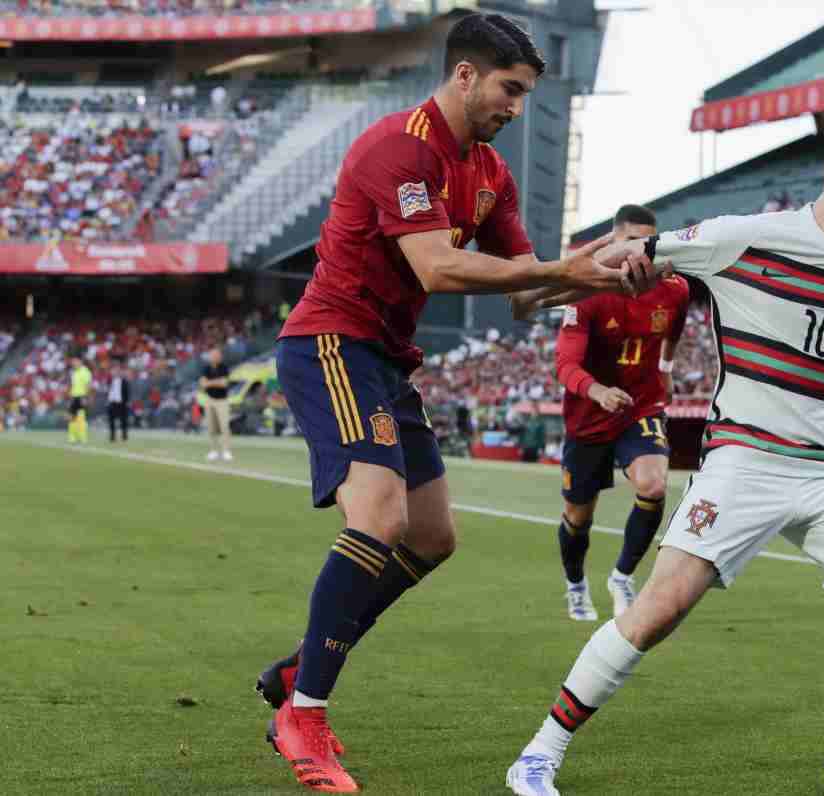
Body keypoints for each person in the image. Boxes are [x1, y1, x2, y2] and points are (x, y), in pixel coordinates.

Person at [254, 14, 660, 793]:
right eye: (510, 90)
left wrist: (597, 270)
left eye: (526, 95)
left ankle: (306, 661)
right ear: (466, 75)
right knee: (379, 517)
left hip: (388, 362)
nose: (516, 108)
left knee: (433, 538)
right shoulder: (398, 148)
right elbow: (440, 269)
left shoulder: (491, 175)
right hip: (332, 341)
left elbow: (525, 289)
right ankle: (302, 714)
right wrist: (577, 270)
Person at [506, 114, 824, 796]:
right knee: (657, 612)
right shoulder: (743, 238)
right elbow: (635, 253)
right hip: (743, 463)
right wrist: (537, 289)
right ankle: (539, 753)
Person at [550, 204, 690, 621]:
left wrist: (665, 369)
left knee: (653, 485)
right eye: (630, 243)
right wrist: (597, 391)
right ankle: (576, 585)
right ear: (612, 244)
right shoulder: (587, 292)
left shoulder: (674, 288)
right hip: (589, 415)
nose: (640, 253)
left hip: (640, 405)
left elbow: (675, 330)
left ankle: (622, 578)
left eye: (646, 244)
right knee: (579, 516)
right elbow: (564, 364)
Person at [199, 347, 233, 462]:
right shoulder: (206, 368)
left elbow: (224, 384)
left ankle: (226, 451)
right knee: (211, 426)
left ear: (220, 356)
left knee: (224, 426)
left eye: (216, 355)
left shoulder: (224, 367)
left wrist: (210, 383)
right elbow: (203, 384)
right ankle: (213, 450)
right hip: (210, 400)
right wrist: (215, 382)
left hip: (222, 400)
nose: (214, 357)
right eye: (213, 355)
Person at [66, 355, 92, 445]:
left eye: (75, 361)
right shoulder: (74, 372)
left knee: (81, 418)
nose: (73, 363)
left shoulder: (85, 372)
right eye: (73, 362)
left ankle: (82, 437)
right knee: (71, 418)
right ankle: (72, 437)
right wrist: (70, 397)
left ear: (80, 361)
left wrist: (86, 397)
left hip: (81, 396)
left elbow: (88, 385)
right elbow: (72, 385)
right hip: (74, 396)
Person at [107, 363, 130, 443]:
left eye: (117, 370)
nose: (115, 372)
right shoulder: (110, 381)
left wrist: (127, 402)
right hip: (112, 402)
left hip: (121, 403)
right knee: (111, 421)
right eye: (114, 370)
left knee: (123, 421)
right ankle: (112, 436)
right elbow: (108, 391)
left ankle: (124, 436)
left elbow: (127, 392)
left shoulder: (124, 381)